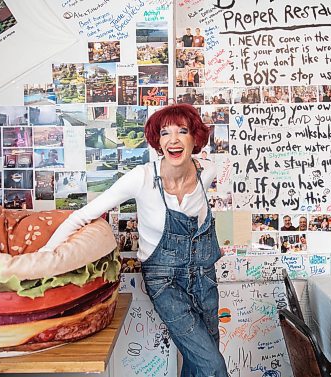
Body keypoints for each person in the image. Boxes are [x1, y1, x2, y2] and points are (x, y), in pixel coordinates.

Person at [39, 103, 227, 377]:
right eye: (165, 133)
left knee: (198, 360)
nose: (173, 139)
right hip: (165, 282)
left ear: (194, 138)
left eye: (182, 131)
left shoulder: (206, 172)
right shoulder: (141, 178)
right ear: (158, 142)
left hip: (204, 276)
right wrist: (44, 255)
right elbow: (83, 216)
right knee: (213, 365)